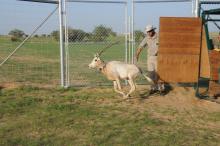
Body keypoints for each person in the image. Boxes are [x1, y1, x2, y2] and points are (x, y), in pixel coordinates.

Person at [135, 24, 165, 94]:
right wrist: (137, 55)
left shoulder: (159, 37)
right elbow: (140, 47)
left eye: (149, 31)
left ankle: (161, 89)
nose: (148, 33)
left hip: (158, 57)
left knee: (159, 74)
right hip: (150, 58)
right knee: (151, 74)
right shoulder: (146, 38)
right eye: (147, 32)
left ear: (153, 30)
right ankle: (153, 88)